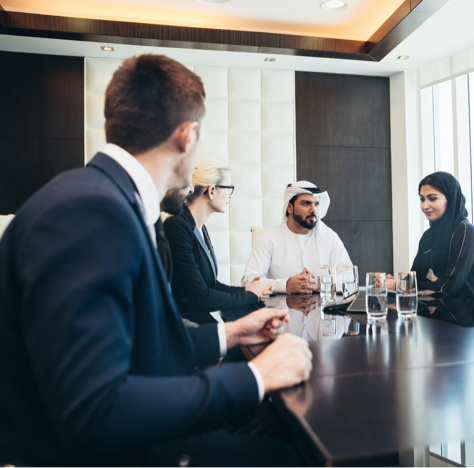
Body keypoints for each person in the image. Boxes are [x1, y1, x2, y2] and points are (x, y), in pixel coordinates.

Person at [0, 54, 312, 467]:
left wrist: (232, 333)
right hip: (105, 455)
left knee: (275, 427)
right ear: (187, 136)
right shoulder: (91, 213)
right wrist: (257, 377)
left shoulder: (108, 200)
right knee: (284, 455)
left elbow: (140, 341)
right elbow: (94, 409)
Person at [164, 157, 273, 322]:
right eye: (229, 188)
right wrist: (251, 296)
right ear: (212, 191)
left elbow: (211, 285)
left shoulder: (199, 227)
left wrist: (247, 290)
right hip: (184, 324)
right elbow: (201, 298)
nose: (230, 195)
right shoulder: (177, 227)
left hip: (199, 319)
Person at [388, 172, 474, 326]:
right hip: (436, 316)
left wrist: (399, 286)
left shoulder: (466, 232)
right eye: (422, 199)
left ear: (450, 199)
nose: (424, 206)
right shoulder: (429, 236)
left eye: (432, 198)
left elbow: (448, 287)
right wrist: (395, 282)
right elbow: (416, 278)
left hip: (466, 321)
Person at [241, 181, 353, 294]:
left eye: (316, 204)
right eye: (306, 203)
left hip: (321, 305)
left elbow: (351, 279)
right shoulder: (268, 239)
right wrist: (285, 285)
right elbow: (248, 282)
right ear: (289, 208)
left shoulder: (329, 237)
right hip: (280, 305)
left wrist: (320, 283)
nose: (313, 210)